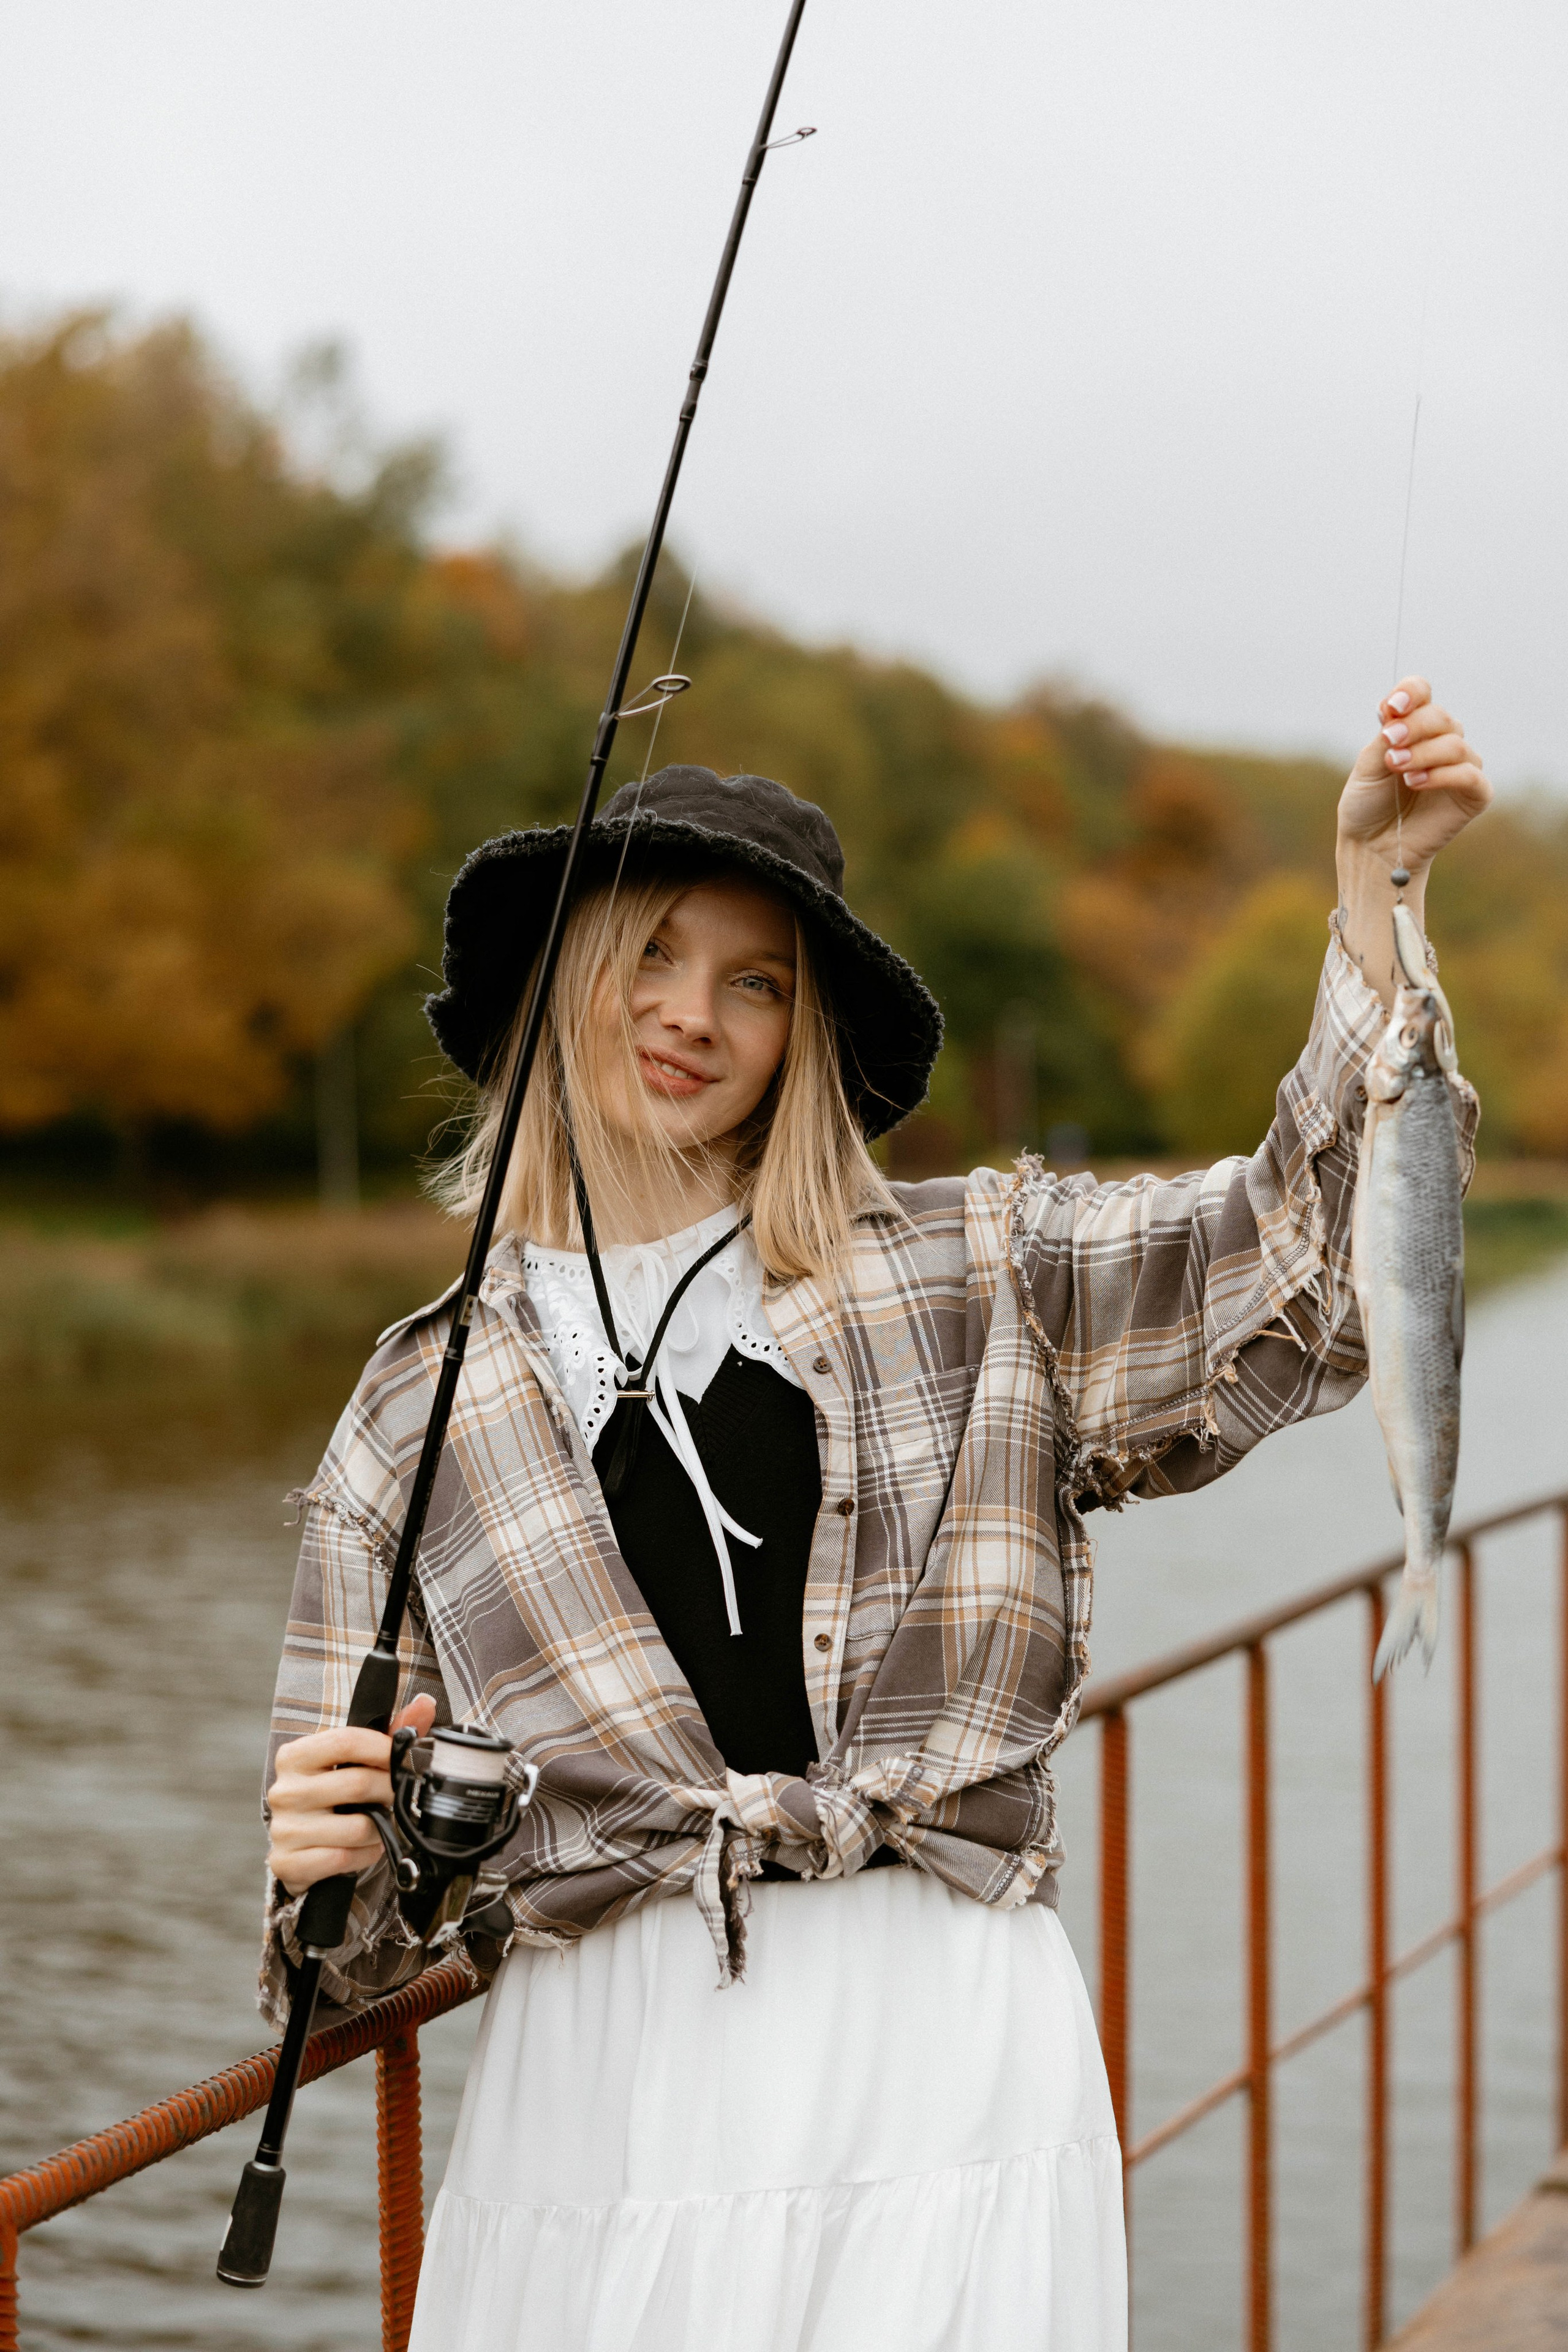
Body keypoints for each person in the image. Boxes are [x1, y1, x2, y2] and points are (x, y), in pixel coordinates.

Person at [261, 681, 1487, 2352]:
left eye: (755, 983)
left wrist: (1377, 889)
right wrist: (331, 1859)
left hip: (946, 2054)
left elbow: (1309, 1270)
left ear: (802, 1037)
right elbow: (332, 1968)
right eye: (653, 953)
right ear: (563, 982)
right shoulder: (411, 1413)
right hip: (602, 2103)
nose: (694, 1012)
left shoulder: (977, 1270)